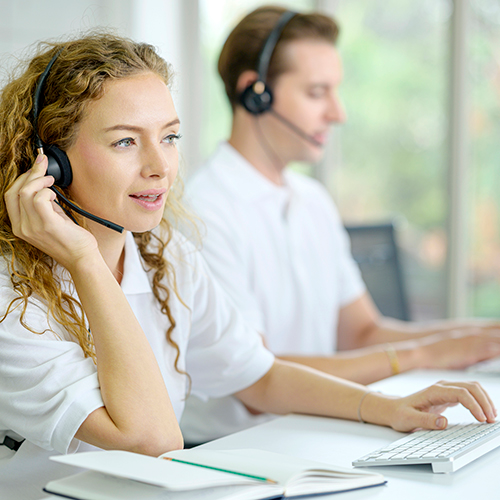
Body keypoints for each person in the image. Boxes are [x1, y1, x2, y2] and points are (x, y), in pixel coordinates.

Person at [0, 31, 496, 500]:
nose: (160, 166)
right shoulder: (11, 296)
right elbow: (151, 439)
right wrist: (85, 260)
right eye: (125, 141)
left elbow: (258, 376)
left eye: (169, 137)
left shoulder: (164, 255)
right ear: (50, 158)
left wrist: (388, 410)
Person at [181, 5, 500, 443]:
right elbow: (255, 383)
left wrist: (476, 335)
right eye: (317, 92)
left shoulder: (311, 201)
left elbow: (362, 332)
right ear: (255, 93)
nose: (338, 112)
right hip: (236, 447)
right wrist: (425, 353)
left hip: (318, 428)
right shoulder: (203, 211)